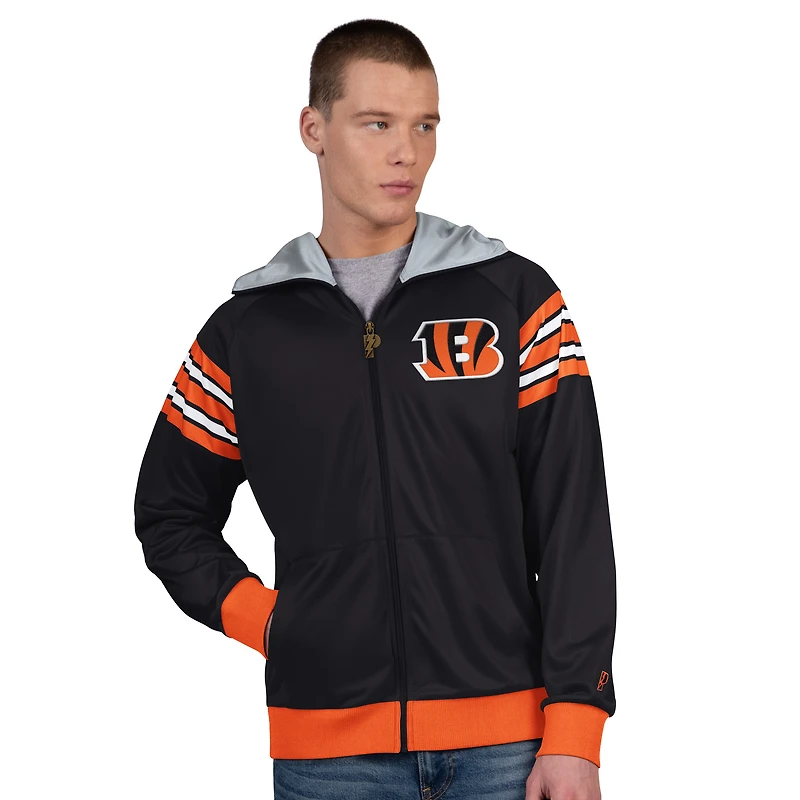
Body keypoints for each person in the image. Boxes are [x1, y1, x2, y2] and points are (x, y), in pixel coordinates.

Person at [133, 17, 617, 800]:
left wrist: (575, 727)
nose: (408, 153)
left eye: (426, 125)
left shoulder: (515, 300)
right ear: (313, 130)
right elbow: (168, 513)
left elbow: (574, 519)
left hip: (509, 746)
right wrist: (270, 622)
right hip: (327, 755)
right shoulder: (247, 333)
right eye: (377, 124)